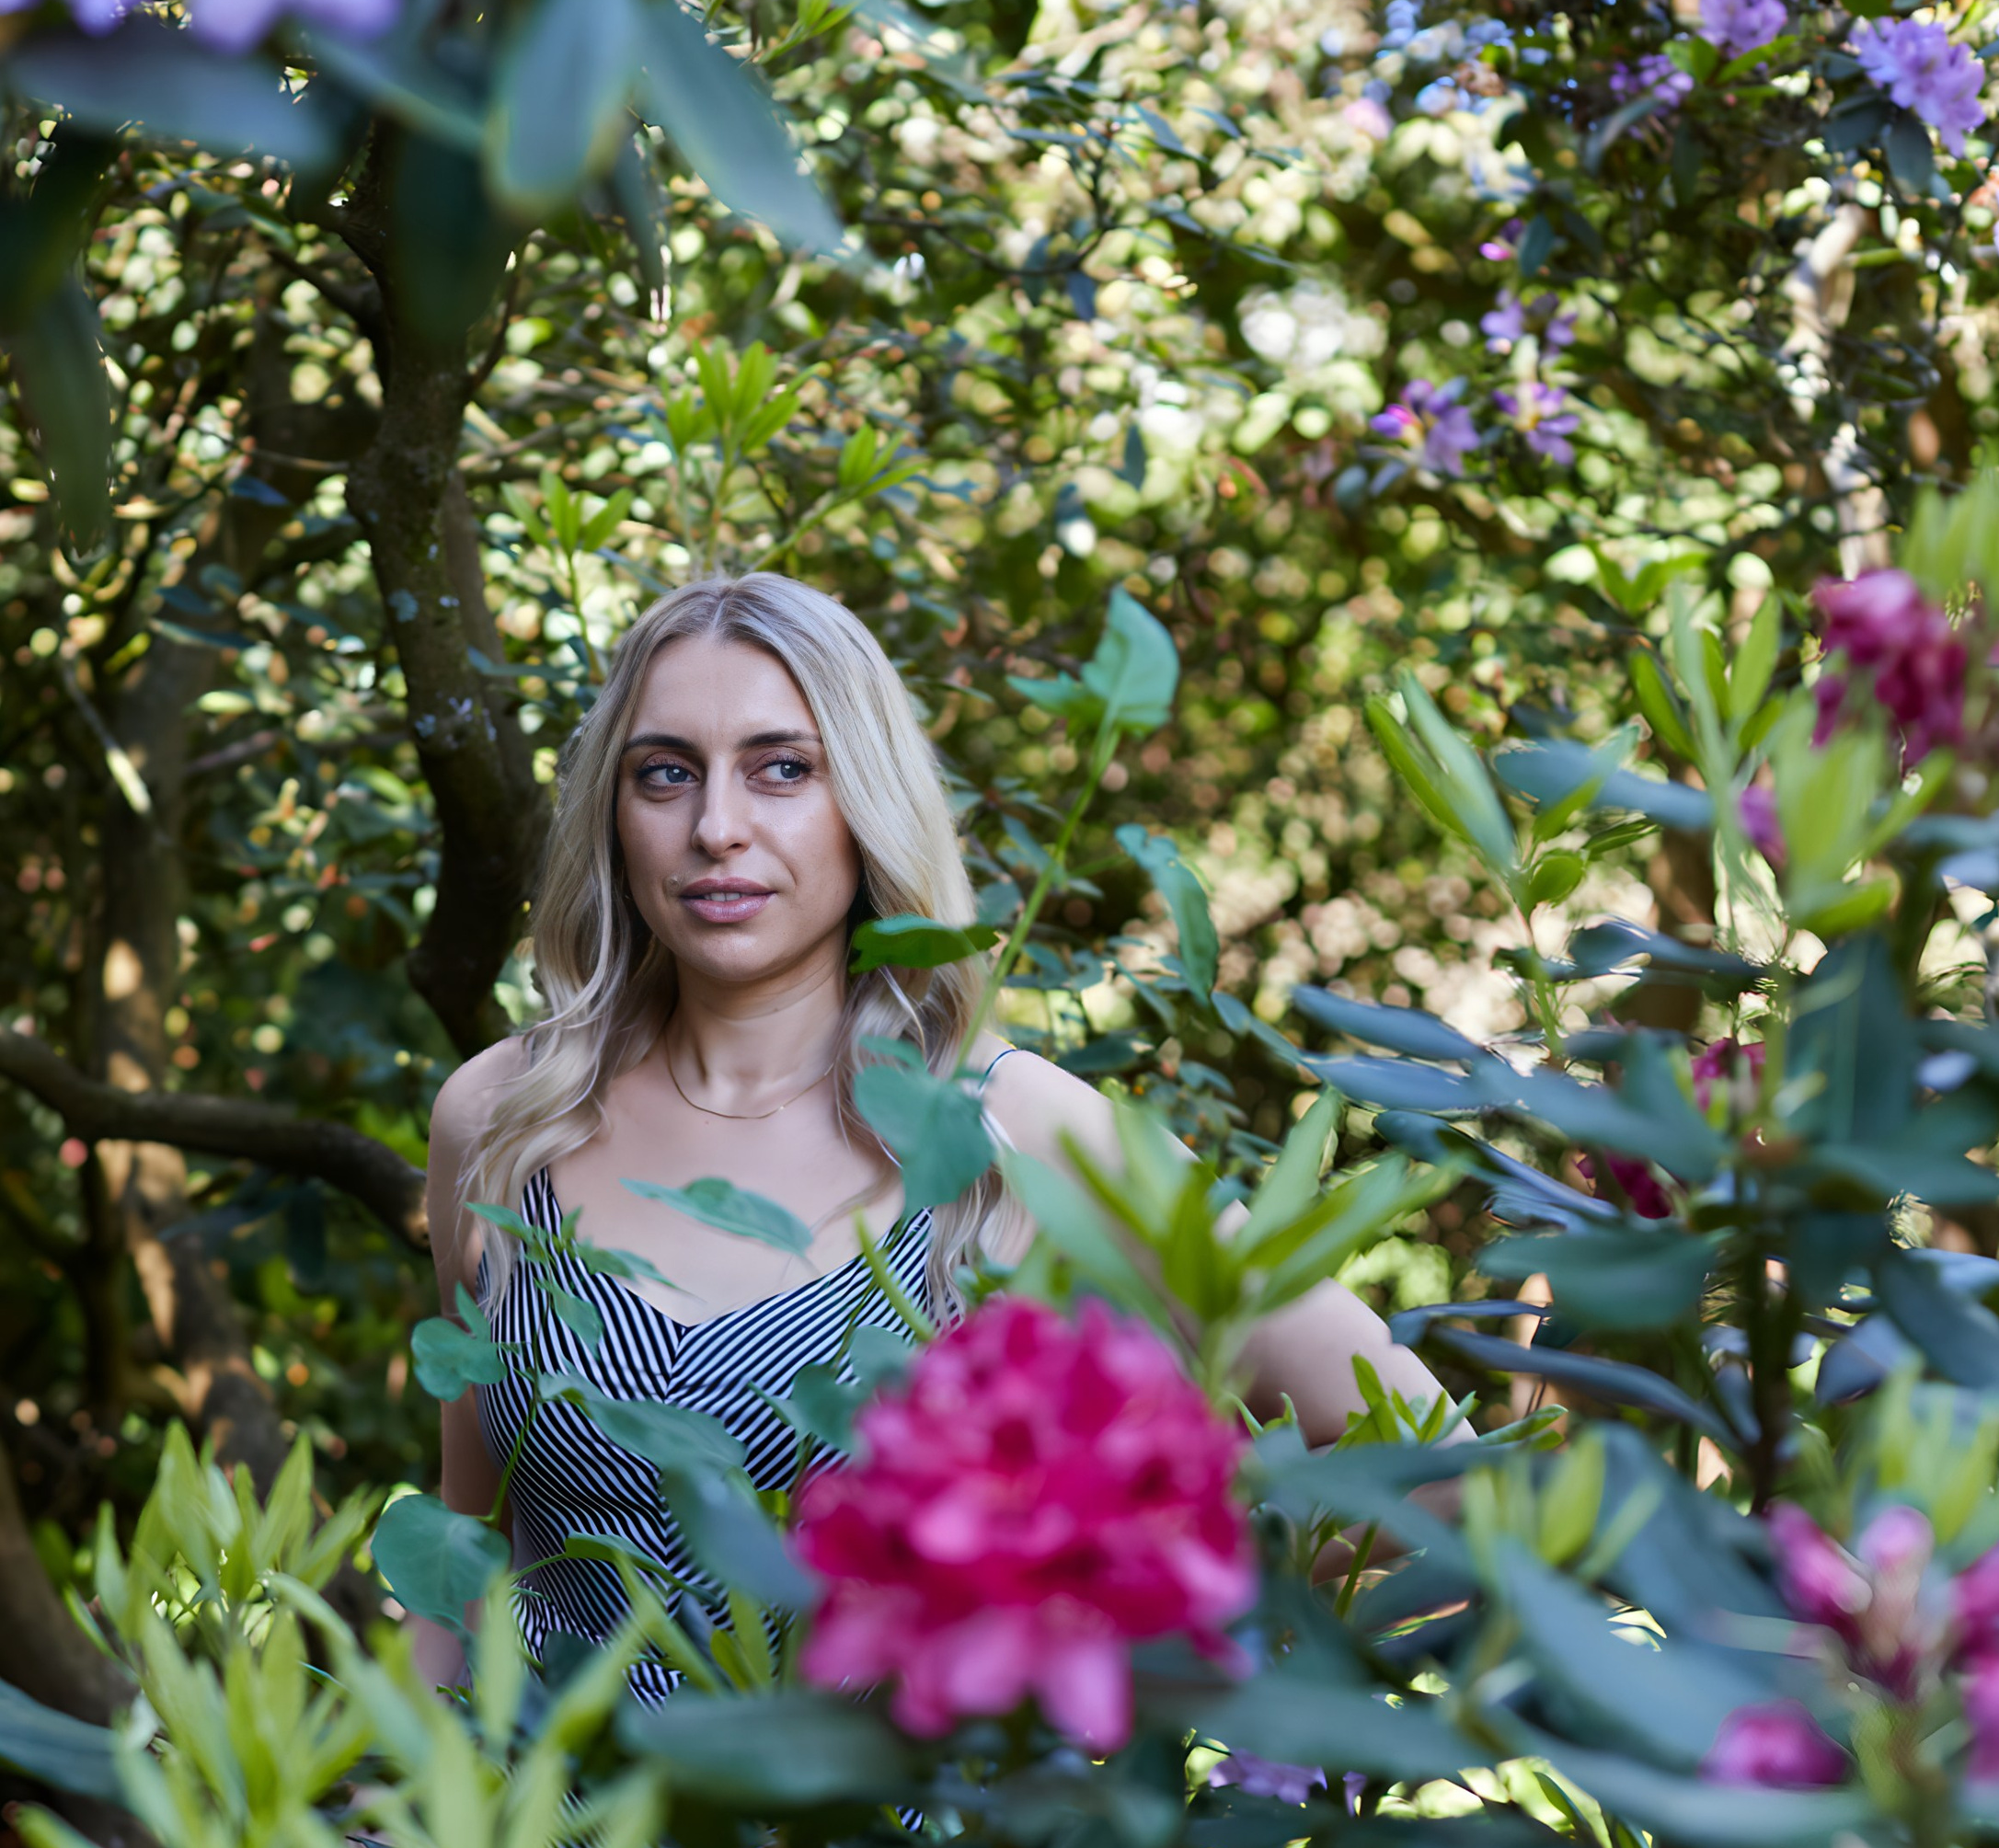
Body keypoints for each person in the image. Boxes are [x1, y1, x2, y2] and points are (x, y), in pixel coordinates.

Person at [419, 570, 1453, 1685]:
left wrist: (1126, 1629)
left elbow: (1433, 1475)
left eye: (782, 769)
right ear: (614, 815)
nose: (716, 827)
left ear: (863, 799)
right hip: (547, 1846)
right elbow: (464, 1547)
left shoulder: (1021, 1134)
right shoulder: (503, 1119)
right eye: (665, 774)